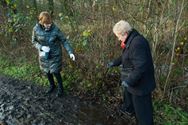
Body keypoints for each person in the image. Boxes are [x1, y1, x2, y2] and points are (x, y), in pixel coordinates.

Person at [107, 20, 156, 125]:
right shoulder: (131, 40)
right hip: (136, 85)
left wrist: (129, 81)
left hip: (141, 87)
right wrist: (114, 62)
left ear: (124, 33)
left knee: (144, 117)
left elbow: (141, 67)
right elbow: (126, 56)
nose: (118, 39)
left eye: (118, 36)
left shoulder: (137, 43)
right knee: (136, 111)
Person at [31, 11, 75, 97]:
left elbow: (64, 40)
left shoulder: (55, 29)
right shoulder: (35, 29)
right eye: (46, 24)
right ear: (41, 22)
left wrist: (70, 52)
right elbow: (33, 41)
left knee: (55, 71)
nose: (49, 25)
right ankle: (52, 86)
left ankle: (61, 88)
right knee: (47, 71)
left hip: (55, 55)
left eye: (50, 23)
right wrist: (41, 47)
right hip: (44, 55)